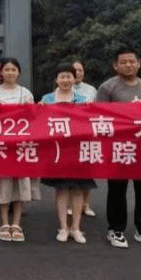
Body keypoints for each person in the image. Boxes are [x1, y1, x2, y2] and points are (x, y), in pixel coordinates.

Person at [96, 48, 141, 250]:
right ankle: (115, 229)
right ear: (115, 65)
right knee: (117, 190)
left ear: (139, 64)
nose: (128, 65)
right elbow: (99, 116)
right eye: (123, 62)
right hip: (119, 146)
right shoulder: (107, 87)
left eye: (132, 61)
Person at [0, 58, 39, 243]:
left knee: (20, 185)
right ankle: (4, 223)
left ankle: (16, 224)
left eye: (13, 69)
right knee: (3, 185)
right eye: (6, 70)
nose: (10, 73)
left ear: (19, 72)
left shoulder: (25, 93)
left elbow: (33, 117)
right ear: (1, 73)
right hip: (1, 145)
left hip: (21, 146)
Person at [39, 63, 95, 245]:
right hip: (57, 150)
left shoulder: (83, 99)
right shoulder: (47, 99)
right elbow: (39, 122)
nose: (65, 80)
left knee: (78, 190)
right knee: (61, 190)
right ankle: (63, 227)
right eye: (62, 77)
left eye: (69, 76)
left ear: (74, 78)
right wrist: (38, 109)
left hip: (78, 149)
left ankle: (76, 228)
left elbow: (90, 123)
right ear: (56, 80)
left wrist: (89, 109)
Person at [71, 59, 99, 219]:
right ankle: (71, 205)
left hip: (88, 134)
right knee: (70, 171)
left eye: (80, 70)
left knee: (87, 172)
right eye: (74, 70)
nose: (77, 73)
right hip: (69, 136)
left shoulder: (91, 89)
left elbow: (99, 109)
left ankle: (85, 204)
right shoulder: (62, 88)